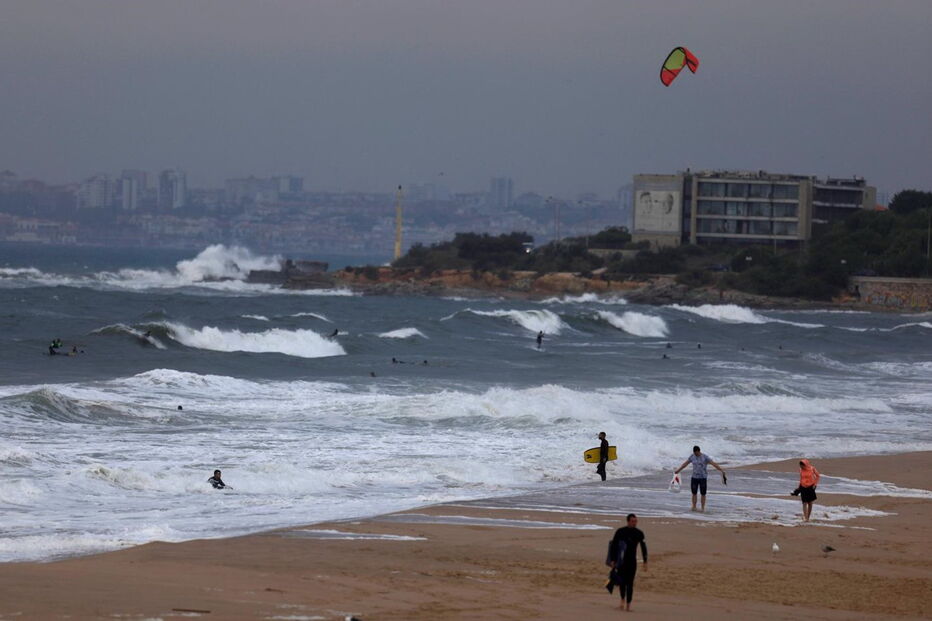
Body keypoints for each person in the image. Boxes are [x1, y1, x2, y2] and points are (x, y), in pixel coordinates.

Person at [607, 513, 647, 611]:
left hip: (632, 562)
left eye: (636, 521)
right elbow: (613, 545)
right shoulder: (621, 531)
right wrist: (612, 560)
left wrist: (645, 561)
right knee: (621, 583)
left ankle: (628, 605)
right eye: (633, 521)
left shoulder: (639, 533)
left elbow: (643, 547)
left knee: (630, 583)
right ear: (628, 521)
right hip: (621, 561)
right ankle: (622, 602)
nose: (635, 523)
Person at [674, 445, 727, 512]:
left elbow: (714, 464)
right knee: (694, 493)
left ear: (699, 451)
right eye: (694, 453)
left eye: (696, 453)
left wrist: (721, 470)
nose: (695, 454)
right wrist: (678, 470)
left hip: (703, 478)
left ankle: (702, 508)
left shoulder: (705, 457)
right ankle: (694, 507)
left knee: (703, 494)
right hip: (694, 477)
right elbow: (685, 464)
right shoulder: (692, 456)